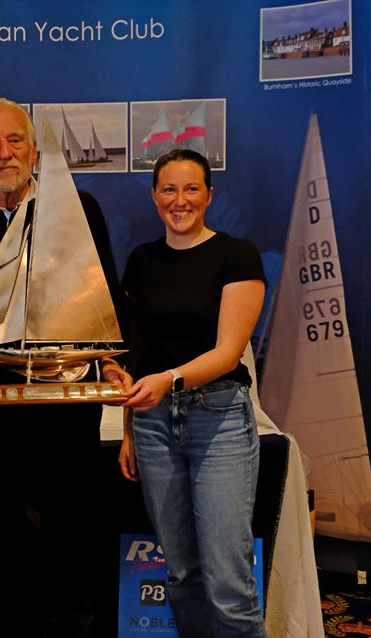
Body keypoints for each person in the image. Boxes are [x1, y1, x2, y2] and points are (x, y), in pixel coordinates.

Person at [0, 98, 129, 638]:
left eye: (15, 140)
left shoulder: (78, 210)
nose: (4, 152)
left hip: (68, 412)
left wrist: (108, 362)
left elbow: (104, 299)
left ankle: (75, 624)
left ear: (34, 150)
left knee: (73, 535)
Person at [118, 148, 267, 637]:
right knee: (181, 573)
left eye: (190, 189)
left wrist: (168, 380)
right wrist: (129, 431)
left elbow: (227, 354)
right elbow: (135, 357)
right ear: (154, 196)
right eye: (168, 189)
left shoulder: (237, 255)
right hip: (153, 424)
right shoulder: (141, 260)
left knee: (229, 582)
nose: (179, 200)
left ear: (209, 195)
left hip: (219, 420)